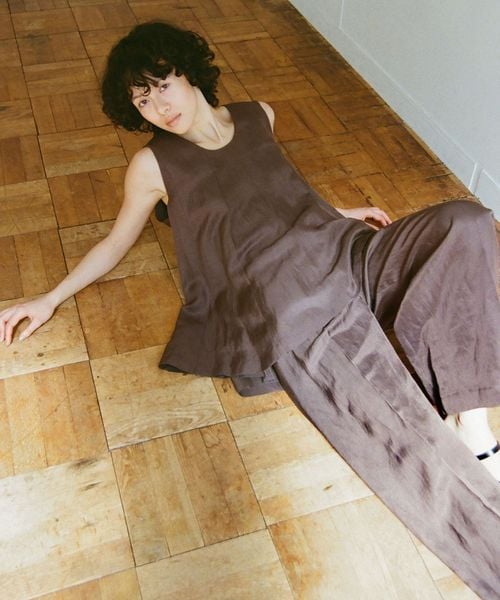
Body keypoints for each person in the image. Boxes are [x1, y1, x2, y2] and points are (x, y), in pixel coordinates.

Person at [1, 21, 499, 597]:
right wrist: (49, 298)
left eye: (162, 86)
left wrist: (339, 211)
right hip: (278, 299)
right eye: (142, 100)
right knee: (388, 412)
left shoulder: (259, 114)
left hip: (339, 251)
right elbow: (116, 242)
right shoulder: (152, 166)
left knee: (466, 221)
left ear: (189, 73)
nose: (159, 107)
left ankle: (473, 421)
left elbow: (278, 189)